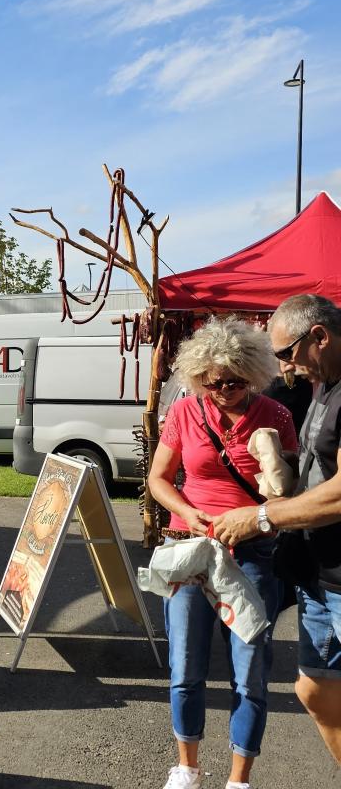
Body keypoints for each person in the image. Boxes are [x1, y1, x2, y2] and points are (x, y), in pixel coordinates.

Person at [147, 317, 298, 789]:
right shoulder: (186, 412)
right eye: (213, 384)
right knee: (185, 667)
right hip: (189, 552)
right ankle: (187, 767)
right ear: (197, 378)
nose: (223, 391)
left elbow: (289, 493)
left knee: (250, 671)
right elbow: (157, 479)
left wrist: (265, 496)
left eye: (234, 382)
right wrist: (186, 512)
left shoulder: (276, 415)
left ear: (252, 374)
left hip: (253, 553)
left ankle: (239, 779)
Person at [214, 294, 341, 765]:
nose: (284, 368)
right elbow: (322, 468)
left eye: (286, 353)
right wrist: (284, 465)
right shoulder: (325, 385)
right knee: (314, 689)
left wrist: (261, 516)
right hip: (317, 576)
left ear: (320, 337)